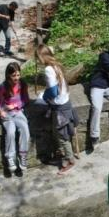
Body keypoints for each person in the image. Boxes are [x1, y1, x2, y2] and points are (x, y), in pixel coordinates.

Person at [36, 44, 79, 175]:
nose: (38, 60)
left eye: (38, 57)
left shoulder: (49, 69)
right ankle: (62, 155)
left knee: (62, 136)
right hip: (65, 103)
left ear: (42, 57)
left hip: (60, 108)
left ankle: (70, 160)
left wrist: (43, 96)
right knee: (57, 133)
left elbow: (54, 91)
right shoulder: (57, 65)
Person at [0, 62, 30, 172]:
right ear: (8, 75)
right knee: (10, 132)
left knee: (25, 129)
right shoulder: (3, 87)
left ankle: (23, 155)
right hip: (7, 114)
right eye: (14, 75)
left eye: (18, 75)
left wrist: (16, 105)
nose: (16, 78)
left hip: (18, 112)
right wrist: (1, 111)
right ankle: (10, 157)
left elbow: (26, 99)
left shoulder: (22, 84)